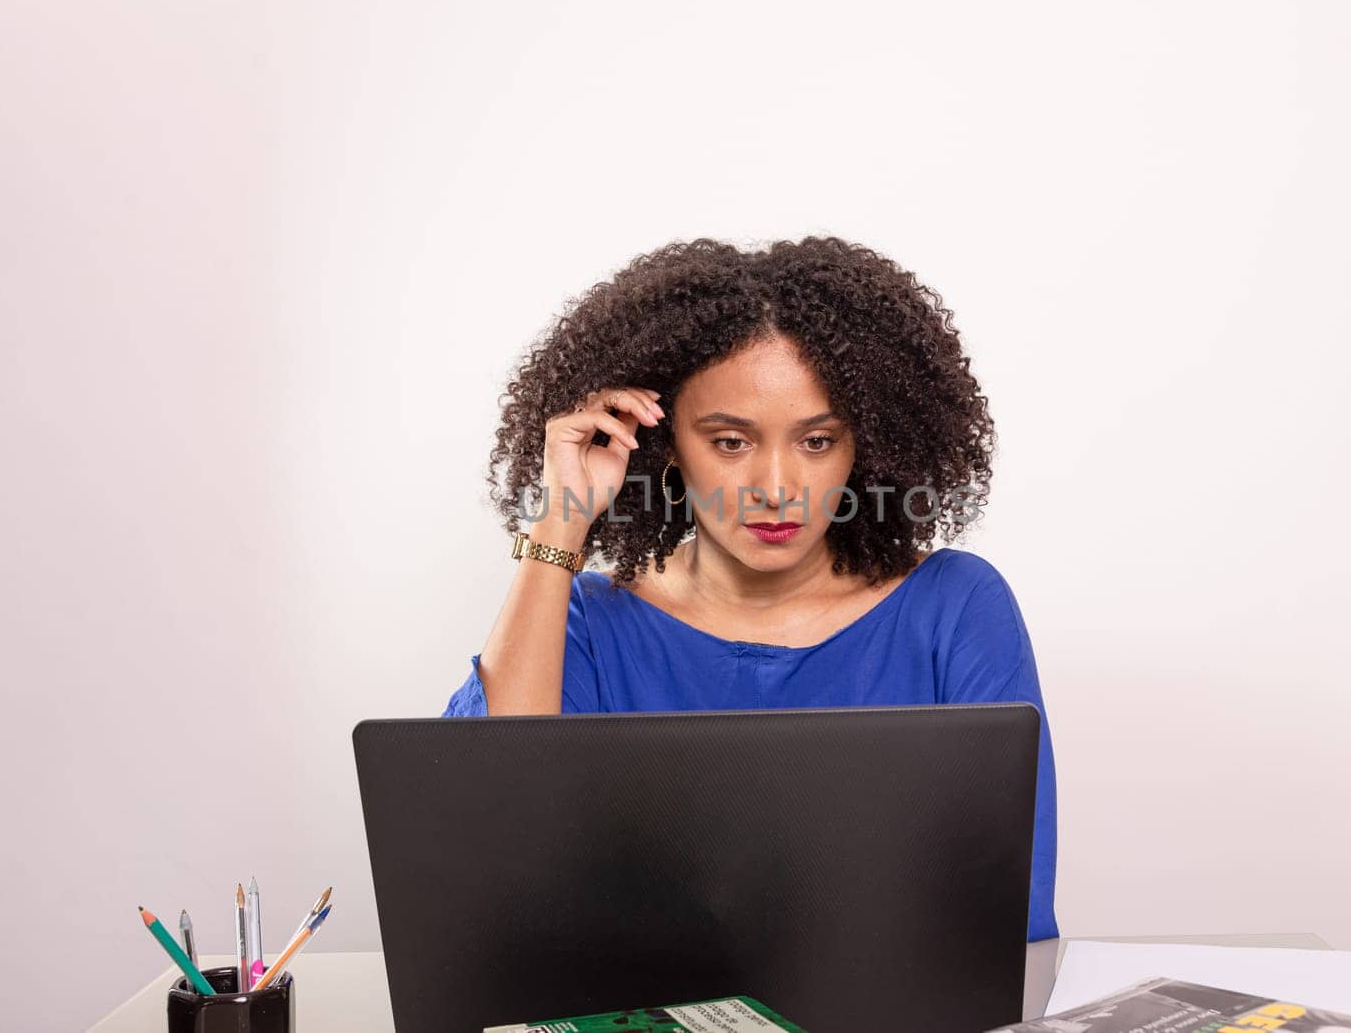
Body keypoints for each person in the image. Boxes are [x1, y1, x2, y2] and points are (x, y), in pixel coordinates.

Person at [443, 235, 1059, 941]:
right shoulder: (585, 625)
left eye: (817, 442)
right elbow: (494, 849)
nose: (776, 489)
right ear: (667, 441)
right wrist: (561, 521)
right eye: (730, 442)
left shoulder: (955, 610)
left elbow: (1011, 917)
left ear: (870, 443)